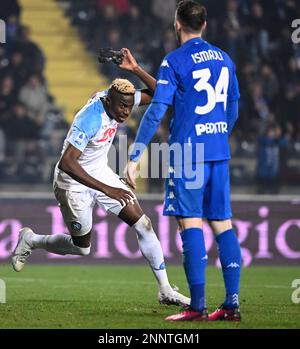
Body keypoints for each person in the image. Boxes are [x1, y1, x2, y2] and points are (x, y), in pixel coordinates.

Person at [11, 48, 190, 308]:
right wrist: (109, 189)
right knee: (82, 248)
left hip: (99, 172)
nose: (127, 113)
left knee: (144, 224)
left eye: (130, 107)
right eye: (122, 107)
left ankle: (165, 290)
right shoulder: (90, 117)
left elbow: (161, 94)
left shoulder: (120, 100)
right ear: (108, 101)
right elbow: (67, 162)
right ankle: (31, 239)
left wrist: (136, 69)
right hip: (71, 182)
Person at [125, 1, 242, 321]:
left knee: (189, 223)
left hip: (188, 153)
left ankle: (197, 306)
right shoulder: (225, 58)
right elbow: (233, 106)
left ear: (177, 24)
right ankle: (232, 305)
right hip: (218, 151)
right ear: (204, 25)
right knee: (222, 224)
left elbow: (155, 111)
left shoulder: (174, 61)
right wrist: (218, 135)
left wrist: (134, 157)